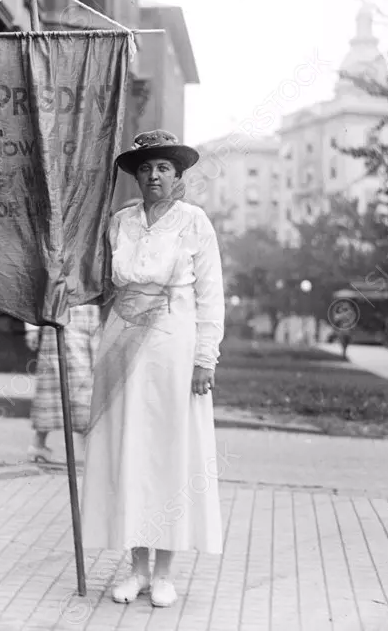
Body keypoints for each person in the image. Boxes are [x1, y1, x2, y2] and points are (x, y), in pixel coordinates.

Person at [81, 130, 226, 609]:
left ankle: (164, 572)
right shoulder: (121, 222)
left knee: (168, 452)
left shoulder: (193, 222)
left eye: (163, 167)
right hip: (122, 341)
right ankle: (135, 568)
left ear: (178, 174)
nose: (154, 175)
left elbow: (211, 295)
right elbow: (99, 281)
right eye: (145, 168)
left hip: (173, 344)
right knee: (130, 449)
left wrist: (205, 357)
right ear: (137, 175)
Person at [24, 304, 100, 464]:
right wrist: (31, 329)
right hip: (59, 325)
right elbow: (36, 290)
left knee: (83, 387)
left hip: (85, 319)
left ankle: (40, 443)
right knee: (60, 389)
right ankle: (39, 443)